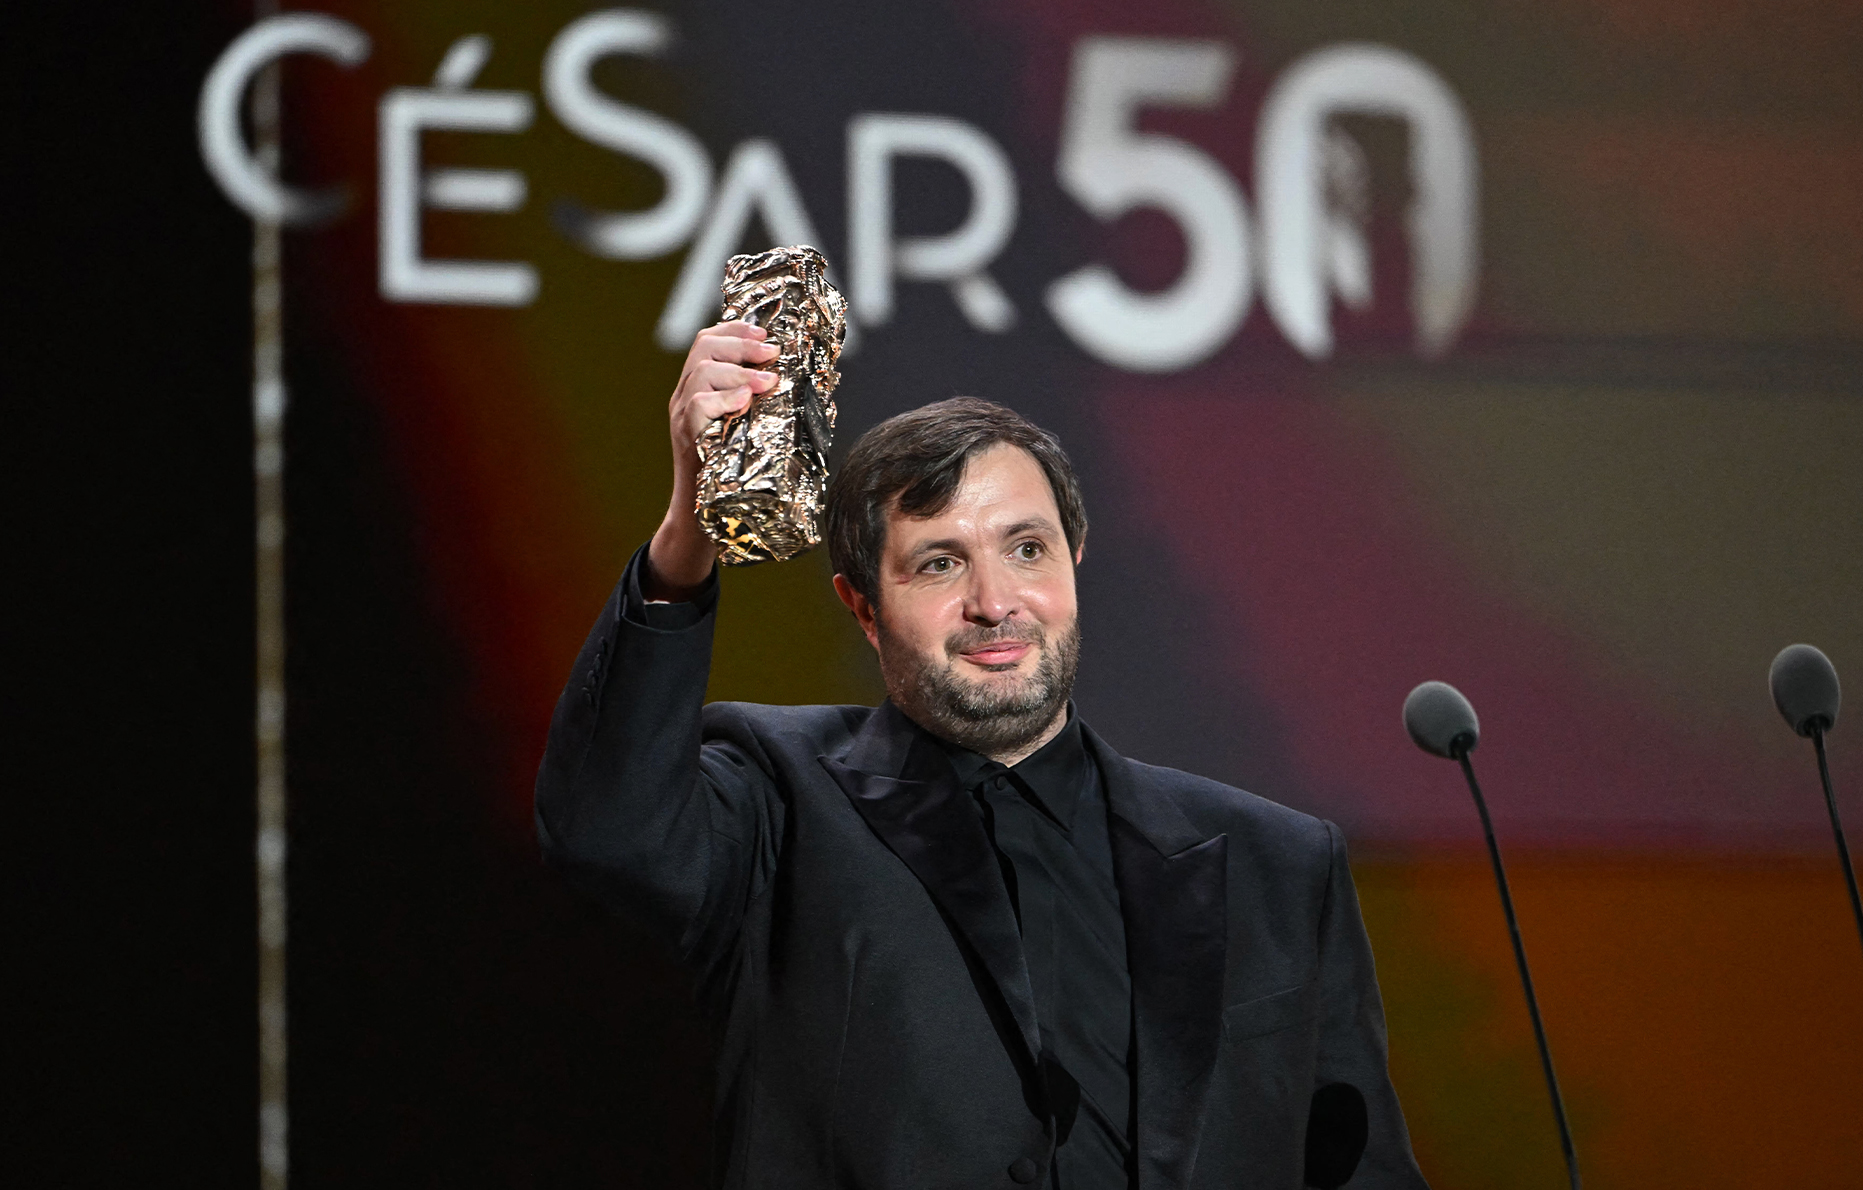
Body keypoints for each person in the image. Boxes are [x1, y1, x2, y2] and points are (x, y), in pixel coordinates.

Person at [536, 320, 1428, 1190]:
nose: (995, 602)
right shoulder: (777, 797)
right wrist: (689, 531)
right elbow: (605, 829)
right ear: (862, 606)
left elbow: (1360, 1168)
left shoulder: (1277, 866)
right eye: (937, 565)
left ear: (1075, 561)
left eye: (1027, 550)